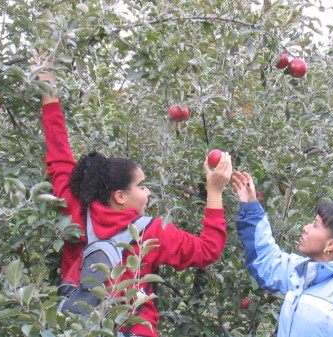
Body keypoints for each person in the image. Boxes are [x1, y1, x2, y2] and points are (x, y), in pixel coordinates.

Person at [37, 60, 233, 337]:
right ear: (120, 196)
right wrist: (215, 191)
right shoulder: (153, 232)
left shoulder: (76, 210)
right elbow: (207, 250)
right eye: (142, 186)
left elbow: (58, 152)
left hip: (75, 330)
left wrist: (48, 86)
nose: (149, 192)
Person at [231, 171, 333, 337]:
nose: (306, 228)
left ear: (331, 244)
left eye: (315, 225)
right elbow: (267, 261)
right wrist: (251, 206)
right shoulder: (304, 273)